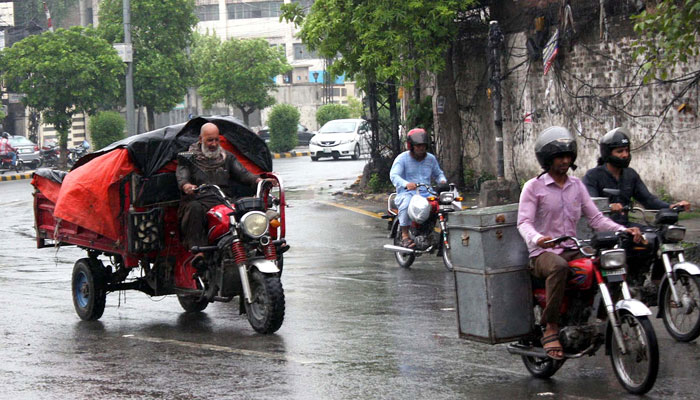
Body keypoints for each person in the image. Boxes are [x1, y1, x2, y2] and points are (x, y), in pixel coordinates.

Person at [517, 126, 642, 360]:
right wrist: (538, 239)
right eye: (559, 157)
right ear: (547, 159)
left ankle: (602, 318)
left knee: (604, 264)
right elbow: (523, 222)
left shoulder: (576, 185)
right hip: (542, 255)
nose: (565, 161)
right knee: (559, 267)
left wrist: (624, 229)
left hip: (573, 248)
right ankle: (551, 326)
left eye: (568, 156)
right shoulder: (533, 187)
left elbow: (596, 218)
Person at [176, 123, 261, 260]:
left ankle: (259, 244)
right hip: (199, 199)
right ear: (200, 140)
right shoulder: (187, 158)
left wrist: (258, 180)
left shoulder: (227, 157)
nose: (214, 144)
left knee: (248, 206)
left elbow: (243, 174)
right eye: (210, 140)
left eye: (216, 140)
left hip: (223, 200)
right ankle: (198, 253)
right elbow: (182, 176)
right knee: (194, 209)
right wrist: (187, 186)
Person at [583, 127, 690, 226]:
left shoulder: (630, 175)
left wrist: (671, 206)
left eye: (627, 150)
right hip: (601, 227)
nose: (625, 155)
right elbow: (591, 205)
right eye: (620, 151)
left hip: (625, 226)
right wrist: (609, 207)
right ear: (608, 153)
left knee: (653, 237)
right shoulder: (592, 176)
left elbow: (648, 200)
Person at [389, 128, 447, 248]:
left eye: (423, 146)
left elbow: (438, 174)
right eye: (418, 146)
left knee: (443, 205)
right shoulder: (402, 158)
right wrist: (406, 184)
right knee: (406, 204)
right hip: (407, 194)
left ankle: (429, 231)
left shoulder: (430, 159)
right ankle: (405, 235)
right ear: (411, 146)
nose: (421, 148)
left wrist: (442, 181)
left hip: (427, 194)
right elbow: (394, 175)